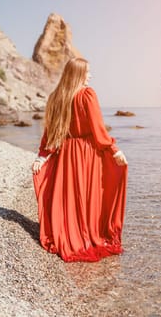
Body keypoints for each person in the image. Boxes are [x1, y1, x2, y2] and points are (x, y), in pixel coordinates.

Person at [31, 57, 128, 262]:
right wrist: (114, 149)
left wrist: (42, 156)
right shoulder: (87, 95)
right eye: (87, 72)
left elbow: (50, 133)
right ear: (78, 74)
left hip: (65, 154)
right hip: (87, 153)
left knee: (72, 197)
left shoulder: (56, 97)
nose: (90, 76)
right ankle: (86, 237)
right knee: (89, 196)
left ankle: (71, 234)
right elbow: (98, 129)